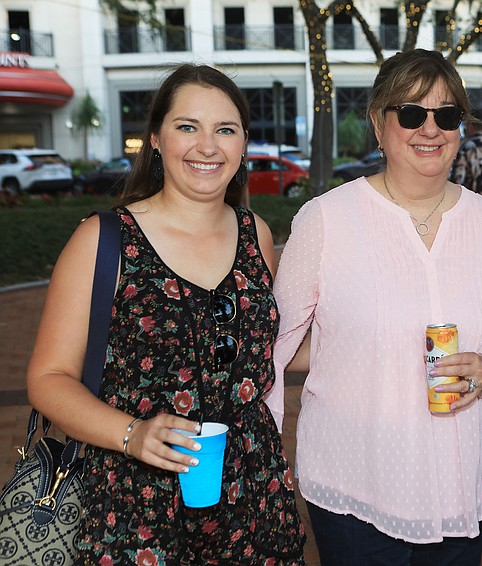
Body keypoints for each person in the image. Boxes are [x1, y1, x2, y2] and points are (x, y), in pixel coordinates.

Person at [27, 64, 305, 564]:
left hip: (255, 499)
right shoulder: (104, 239)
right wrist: (133, 435)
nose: (207, 146)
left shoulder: (256, 234)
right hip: (135, 504)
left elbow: (267, 351)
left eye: (225, 129)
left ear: (243, 144)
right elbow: (49, 378)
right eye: (187, 127)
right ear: (155, 139)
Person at [265, 49, 482, 565]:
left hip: (462, 478)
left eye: (446, 115)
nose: (431, 129)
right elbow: (278, 341)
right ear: (379, 125)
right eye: (410, 112)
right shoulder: (326, 219)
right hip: (354, 477)